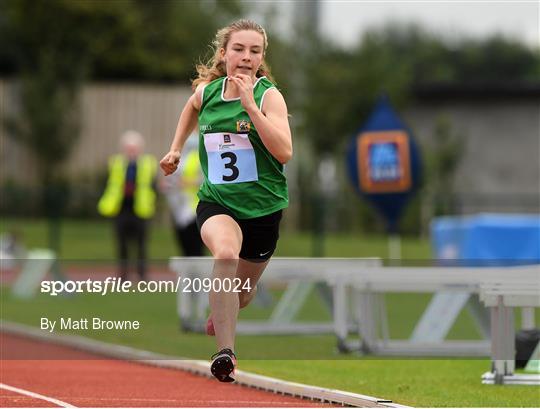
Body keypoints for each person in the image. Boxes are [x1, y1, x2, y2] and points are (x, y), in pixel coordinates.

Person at [160, 19, 292, 382]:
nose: (246, 57)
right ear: (224, 54)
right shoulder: (208, 93)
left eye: (255, 51)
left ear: (262, 58)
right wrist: (174, 150)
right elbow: (191, 105)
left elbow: (284, 152)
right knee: (224, 255)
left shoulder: (269, 97)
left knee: (242, 293)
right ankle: (226, 353)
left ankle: (223, 310)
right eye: (239, 49)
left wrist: (251, 107)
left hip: (264, 210)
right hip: (218, 203)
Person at [98, 130, 157, 281]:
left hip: (141, 209)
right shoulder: (116, 163)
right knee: (121, 243)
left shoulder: (147, 163)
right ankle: (123, 275)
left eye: (134, 148)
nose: (131, 152)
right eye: (129, 148)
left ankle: (142, 275)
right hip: (121, 208)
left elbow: (153, 186)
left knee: (141, 245)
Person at [160, 136, 204, 256]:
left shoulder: (199, 159)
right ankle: (189, 273)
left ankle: (197, 274)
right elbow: (170, 179)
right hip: (179, 208)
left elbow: (205, 181)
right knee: (185, 246)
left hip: (194, 208)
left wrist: (186, 183)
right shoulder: (179, 159)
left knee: (195, 248)